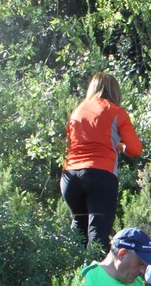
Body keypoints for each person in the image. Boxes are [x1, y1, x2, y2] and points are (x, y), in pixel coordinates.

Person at [61, 72, 143, 252]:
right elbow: (135, 149)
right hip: (100, 175)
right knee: (98, 234)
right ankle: (94, 269)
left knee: (78, 226)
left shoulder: (77, 111)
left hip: (70, 176)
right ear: (115, 92)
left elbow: (72, 141)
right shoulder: (116, 112)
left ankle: (71, 268)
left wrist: (114, 144)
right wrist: (122, 148)